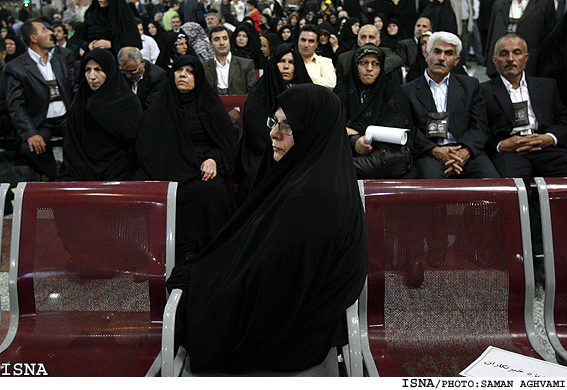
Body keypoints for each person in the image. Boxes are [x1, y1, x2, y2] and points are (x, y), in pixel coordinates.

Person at [166, 83, 368, 374]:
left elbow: (275, 285)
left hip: (286, 332)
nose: (273, 133)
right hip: (279, 302)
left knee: (199, 293)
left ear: (313, 130)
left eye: (287, 127)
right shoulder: (308, 174)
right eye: (275, 122)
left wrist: (214, 282)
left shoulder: (315, 198)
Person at [135, 55, 237, 262]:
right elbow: (148, 144)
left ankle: (211, 252)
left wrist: (213, 159)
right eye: (179, 70)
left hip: (202, 164)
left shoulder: (208, 103)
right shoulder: (160, 104)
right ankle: (171, 254)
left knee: (213, 191)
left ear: (197, 77)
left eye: (190, 72)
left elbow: (225, 141)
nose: (183, 75)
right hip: (167, 165)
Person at [480, 34, 567, 257]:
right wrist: (501, 145)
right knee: (516, 190)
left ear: (526, 58)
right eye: (504, 54)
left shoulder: (547, 85)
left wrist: (549, 138)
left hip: (544, 146)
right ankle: (533, 253)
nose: (510, 58)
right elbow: (479, 130)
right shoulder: (483, 90)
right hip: (511, 152)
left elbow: (563, 121)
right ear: (494, 60)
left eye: (516, 53)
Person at [402, 31, 500, 179]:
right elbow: (409, 130)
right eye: (437, 51)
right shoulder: (408, 91)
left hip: (465, 150)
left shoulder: (470, 86)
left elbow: (480, 126)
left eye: (449, 53)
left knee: (493, 183)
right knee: (435, 186)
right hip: (429, 153)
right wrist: (434, 151)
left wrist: (465, 151)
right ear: (427, 55)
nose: (442, 58)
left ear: (456, 60)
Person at [238, 43, 312, 203]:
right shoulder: (260, 92)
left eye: (291, 62)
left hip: (300, 154)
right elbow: (257, 135)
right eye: (281, 61)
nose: (286, 66)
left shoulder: (307, 91)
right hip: (266, 154)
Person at [4, 19, 75, 181]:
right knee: (29, 148)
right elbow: (16, 106)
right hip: (41, 121)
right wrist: (30, 134)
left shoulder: (60, 60)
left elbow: (74, 90)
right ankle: (58, 177)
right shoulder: (16, 68)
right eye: (44, 30)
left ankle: (75, 175)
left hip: (66, 118)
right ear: (33, 38)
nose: (51, 33)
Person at [57, 48, 142, 181]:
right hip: (81, 170)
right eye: (87, 70)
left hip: (120, 170)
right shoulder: (80, 103)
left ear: (110, 70)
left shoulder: (127, 103)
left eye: (98, 70)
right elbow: (72, 146)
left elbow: (134, 145)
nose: (92, 76)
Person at [335, 44, 417, 179]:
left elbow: (400, 127)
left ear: (381, 67)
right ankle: (346, 166)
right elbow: (333, 125)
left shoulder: (391, 90)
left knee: (398, 159)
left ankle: (345, 167)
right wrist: (355, 141)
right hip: (349, 150)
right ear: (355, 65)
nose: (369, 69)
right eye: (364, 63)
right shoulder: (343, 90)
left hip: (382, 152)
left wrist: (362, 135)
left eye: (375, 64)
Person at [484, 0, 555, 78]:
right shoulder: (499, 3)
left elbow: (549, 39)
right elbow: (492, 34)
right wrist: (489, 65)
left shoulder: (544, 3)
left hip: (532, 67)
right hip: (500, 68)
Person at [335, 24, 404, 85]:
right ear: (358, 41)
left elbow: (398, 59)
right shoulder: (344, 58)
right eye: (363, 37)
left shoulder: (385, 52)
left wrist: (375, 71)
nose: (367, 41)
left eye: (371, 37)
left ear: (378, 41)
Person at [204, 26, 256, 94]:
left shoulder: (246, 64)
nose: (222, 43)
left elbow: (253, 91)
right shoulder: (204, 67)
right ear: (211, 44)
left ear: (229, 41)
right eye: (217, 39)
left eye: (225, 38)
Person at [298, 24, 336, 89]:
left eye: (311, 41)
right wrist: (317, 80)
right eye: (303, 40)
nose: (306, 45)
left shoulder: (325, 62)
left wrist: (302, 80)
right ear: (298, 41)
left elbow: (331, 83)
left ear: (316, 44)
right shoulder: (289, 61)